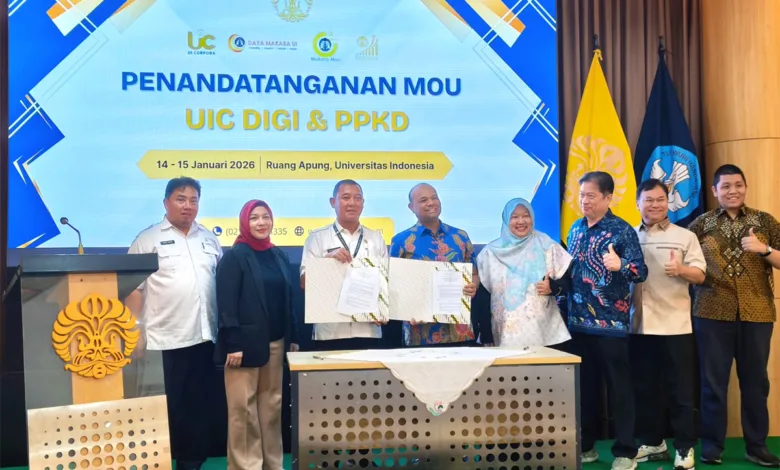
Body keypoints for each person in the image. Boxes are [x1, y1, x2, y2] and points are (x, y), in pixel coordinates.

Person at [126, 177, 222, 470]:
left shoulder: (209, 239)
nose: (188, 205)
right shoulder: (148, 239)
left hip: (203, 337)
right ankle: (157, 461)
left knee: (197, 406)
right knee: (165, 408)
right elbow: (133, 289)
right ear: (166, 202)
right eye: (181, 199)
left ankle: (191, 463)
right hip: (163, 339)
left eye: (193, 200)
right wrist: (135, 331)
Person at [688, 164, 780, 467]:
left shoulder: (764, 221)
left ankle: (757, 446)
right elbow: (686, 265)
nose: (733, 191)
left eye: (738, 185)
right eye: (725, 186)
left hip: (757, 312)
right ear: (714, 190)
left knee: (756, 382)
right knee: (712, 383)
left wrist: (764, 249)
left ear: (745, 187)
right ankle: (712, 446)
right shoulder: (700, 225)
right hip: (711, 311)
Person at [564, 171, 647, 470]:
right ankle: (586, 446)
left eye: (591, 195)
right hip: (577, 323)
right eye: (581, 195)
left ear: (608, 198)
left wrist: (620, 264)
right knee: (585, 388)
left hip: (610, 326)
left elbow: (640, 272)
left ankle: (626, 452)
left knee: (619, 389)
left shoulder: (622, 230)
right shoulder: (575, 229)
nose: (584, 201)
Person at [215, 200, 299, 470]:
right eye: (254, 218)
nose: (261, 223)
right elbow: (226, 304)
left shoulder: (278, 255)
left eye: (265, 217)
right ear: (244, 222)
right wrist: (232, 343)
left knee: (272, 409)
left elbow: (288, 299)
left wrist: (292, 337)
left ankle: (272, 464)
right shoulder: (235, 256)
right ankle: (246, 465)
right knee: (243, 411)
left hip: (276, 343)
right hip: (243, 347)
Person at [629, 179, 706, 470]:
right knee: (644, 389)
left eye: (660, 199)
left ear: (668, 202)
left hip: (675, 327)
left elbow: (700, 275)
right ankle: (652, 442)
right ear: (637, 203)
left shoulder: (685, 236)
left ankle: (684, 447)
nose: (655, 205)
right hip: (638, 326)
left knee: (680, 391)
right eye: (648, 200)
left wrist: (681, 269)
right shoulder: (628, 236)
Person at [300, 179, 387, 351]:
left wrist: (382, 309)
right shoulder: (317, 238)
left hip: (368, 330)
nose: (352, 203)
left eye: (357, 198)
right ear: (333, 202)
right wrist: (326, 262)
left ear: (363, 203)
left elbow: (385, 283)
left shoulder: (376, 238)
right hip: (330, 331)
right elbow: (304, 283)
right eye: (346, 197)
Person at [389, 183, 479, 347]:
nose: (431, 203)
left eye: (434, 198)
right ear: (411, 207)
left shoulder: (460, 236)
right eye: (423, 200)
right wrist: (407, 308)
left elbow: (473, 272)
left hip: (460, 331)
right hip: (421, 333)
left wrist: (472, 287)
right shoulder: (401, 241)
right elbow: (392, 283)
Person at [477, 198, 572, 348]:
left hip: (544, 333)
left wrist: (552, 287)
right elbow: (483, 298)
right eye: (514, 217)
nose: (521, 221)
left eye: (526, 216)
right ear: (506, 220)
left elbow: (569, 281)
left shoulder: (547, 246)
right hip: (504, 334)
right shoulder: (489, 254)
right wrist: (486, 335)